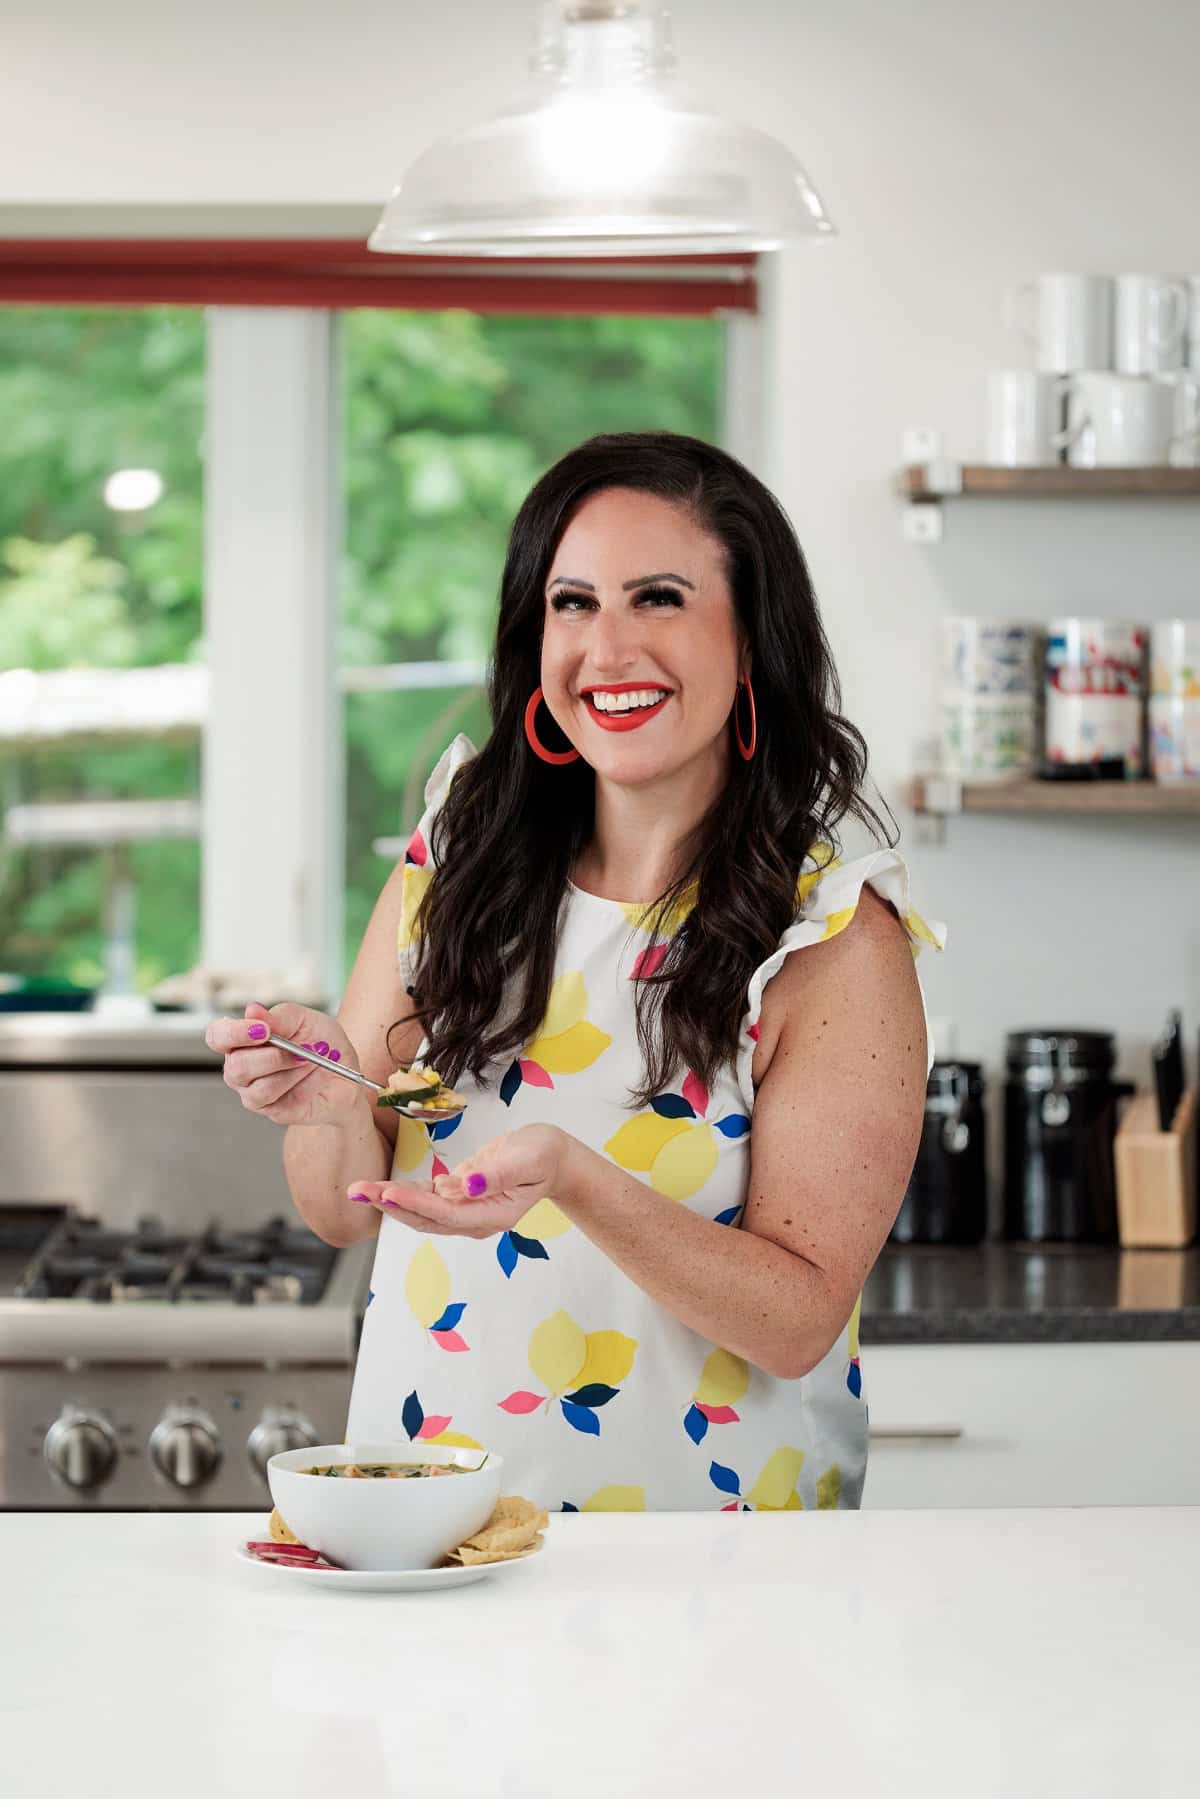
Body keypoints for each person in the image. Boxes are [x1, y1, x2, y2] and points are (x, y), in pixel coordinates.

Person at [206, 432, 944, 1512]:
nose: (608, 648)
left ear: (750, 645)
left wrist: (577, 1177)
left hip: (718, 1565)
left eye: (658, 598)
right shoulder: (455, 860)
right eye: (572, 602)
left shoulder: (831, 935)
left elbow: (796, 1320)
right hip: (430, 1529)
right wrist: (326, 1111)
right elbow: (344, 1212)